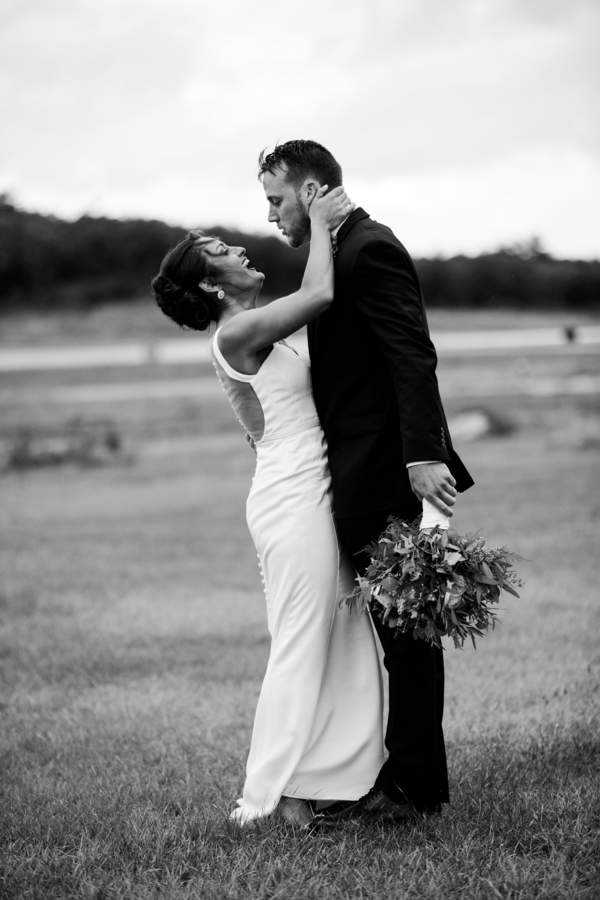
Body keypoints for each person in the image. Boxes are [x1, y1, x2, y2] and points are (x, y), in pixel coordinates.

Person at [151, 186, 385, 827]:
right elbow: (319, 296)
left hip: (312, 488)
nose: (239, 247)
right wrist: (319, 221)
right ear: (208, 288)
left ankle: (322, 781)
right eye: (219, 250)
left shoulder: (262, 329)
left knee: (341, 633)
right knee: (302, 641)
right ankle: (269, 799)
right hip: (292, 499)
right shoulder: (237, 333)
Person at [259, 139, 474, 824]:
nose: (271, 217)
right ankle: (408, 779)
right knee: (401, 634)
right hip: (359, 474)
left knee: (407, 635)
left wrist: (422, 455)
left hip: (383, 473)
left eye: (275, 199)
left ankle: (411, 789)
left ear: (312, 190)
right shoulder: (341, 249)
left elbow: (412, 353)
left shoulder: (367, 248)